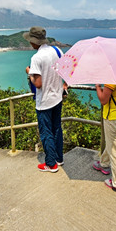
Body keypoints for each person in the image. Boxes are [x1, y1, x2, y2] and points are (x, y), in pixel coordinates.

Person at [23, 26, 65, 173]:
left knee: (46, 132)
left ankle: (51, 164)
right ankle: (59, 158)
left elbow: (38, 84)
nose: (30, 44)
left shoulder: (36, 58)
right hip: (57, 98)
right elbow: (64, 71)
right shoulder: (57, 51)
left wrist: (29, 72)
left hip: (45, 102)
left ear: (34, 42)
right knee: (57, 128)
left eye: (30, 41)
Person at [93, 81, 116, 192]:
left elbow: (103, 100)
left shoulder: (112, 80)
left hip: (112, 118)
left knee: (115, 151)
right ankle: (104, 163)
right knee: (110, 143)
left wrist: (98, 87)